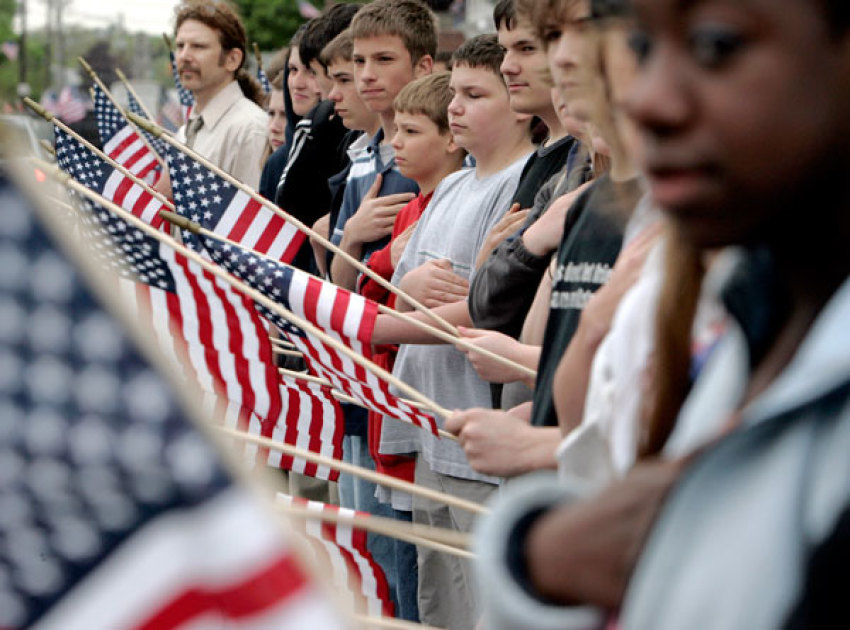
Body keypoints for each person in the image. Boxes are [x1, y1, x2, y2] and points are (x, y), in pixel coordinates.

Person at [474, 0, 850, 628]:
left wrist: (543, 550)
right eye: (645, 46)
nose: (647, 98)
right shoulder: (755, 311)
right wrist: (540, 559)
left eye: (716, 45)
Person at [371, 35, 534, 630]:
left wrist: (381, 318)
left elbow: (484, 308)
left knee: (483, 606)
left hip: (476, 438)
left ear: (516, 103)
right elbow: (402, 277)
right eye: (455, 94)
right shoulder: (457, 185)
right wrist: (412, 290)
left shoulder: (515, 187)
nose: (456, 107)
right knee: (439, 603)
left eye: (473, 94)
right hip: (427, 426)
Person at [445, 0, 646, 477]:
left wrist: (546, 443)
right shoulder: (588, 200)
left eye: (585, 30)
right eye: (553, 38)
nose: (564, 58)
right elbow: (490, 302)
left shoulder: (700, 215)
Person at [357, 71, 466, 621]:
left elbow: (414, 305)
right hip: (394, 426)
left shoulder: (454, 202)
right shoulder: (408, 209)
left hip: (429, 431)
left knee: (428, 592)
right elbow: (361, 288)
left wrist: (392, 281)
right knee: (405, 589)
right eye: (395, 130)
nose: (394, 142)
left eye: (410, 130)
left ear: (451, 138)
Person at [328, 0, 437, 292]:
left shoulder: (443, 153)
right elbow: (339, 285)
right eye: (359, 61)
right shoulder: (361, 161)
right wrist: (352, 235)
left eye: (384, 59)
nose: (366, 74)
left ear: (422, 67)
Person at [274, 3, 361, 274]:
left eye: (313, 72)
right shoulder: (317, 124)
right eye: (293, 70)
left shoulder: (352, 134)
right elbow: (285, 203)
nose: (300, 83)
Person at [156, 0, 267, 195]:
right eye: (180, 46)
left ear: (232, 59)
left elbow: (250, 217)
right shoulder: (184, 133)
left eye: (198, 46)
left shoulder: (250, 129)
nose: (184, 56)